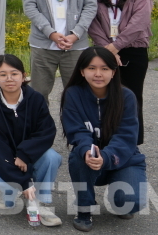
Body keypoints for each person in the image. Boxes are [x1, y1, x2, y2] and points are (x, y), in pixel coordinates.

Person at [61, 47, 147, 231]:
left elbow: (126, 137)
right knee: (79, 153)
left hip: (123, 158)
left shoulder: (127, 96)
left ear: (114, 72)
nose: (98, 74)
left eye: (105, 68)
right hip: (90, 159)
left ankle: (119, 197)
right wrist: (88, 151)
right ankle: (84, 209)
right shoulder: (73, 94)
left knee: (131, 202)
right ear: (82, 71)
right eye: (91, 68)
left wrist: (106, 157)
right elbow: (77, 131)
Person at [0, 54, 62, 226]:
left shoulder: (36, 99)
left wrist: (24, 154)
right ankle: (9, 190)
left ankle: (37, 202)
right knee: (8, 202)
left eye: (14, 73)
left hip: (28, 155)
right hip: (1, 159)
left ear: (23, 76)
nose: (9, 78)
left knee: (52, 157)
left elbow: (46, 131)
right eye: (3, 74)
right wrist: (24, 182)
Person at [89, 0, 151, 145]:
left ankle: (132, 143)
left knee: (132, 96)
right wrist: (107, 49)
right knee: (104, 97)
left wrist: (116, 47)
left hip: (134, 50)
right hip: (103, 50)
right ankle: (106, 142)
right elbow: (91, 21)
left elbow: (140, 22)